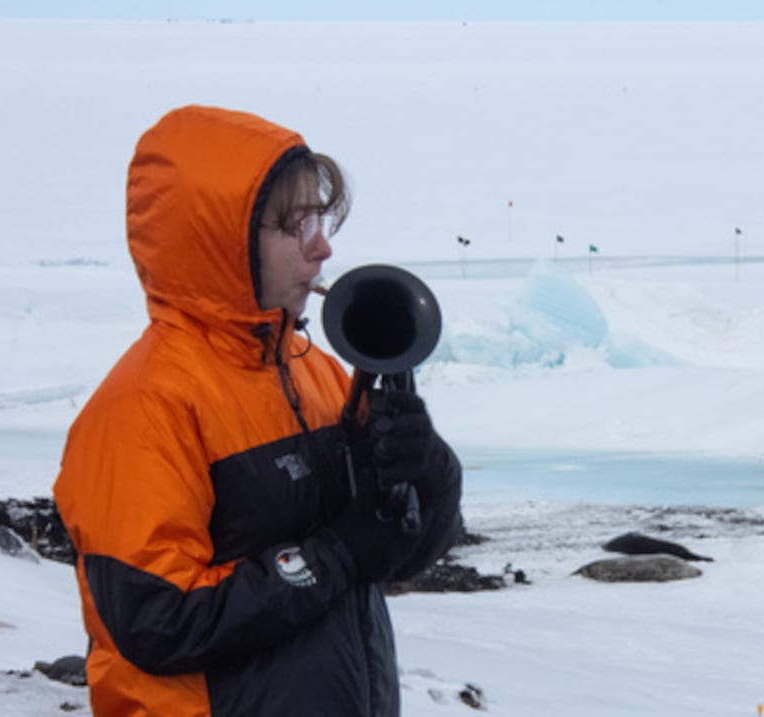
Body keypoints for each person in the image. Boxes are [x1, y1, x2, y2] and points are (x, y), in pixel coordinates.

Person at [53, 105, 462, 716]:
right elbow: (157, 621)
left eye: (320, 220)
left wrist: (432, 475)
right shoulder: (143, 409)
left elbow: (394, 552)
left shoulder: (316, 374)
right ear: (222, 241)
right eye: (295, 226)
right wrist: (334, 556)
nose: (323, 247)